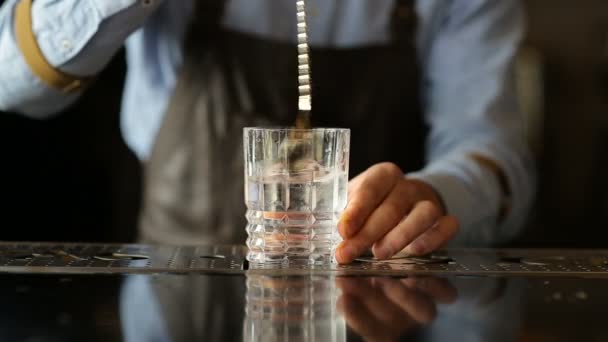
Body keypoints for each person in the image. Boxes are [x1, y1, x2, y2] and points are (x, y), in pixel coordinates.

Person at [0, 0, 534, 264]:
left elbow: (496, 153)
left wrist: (434, 194)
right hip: (173, 289)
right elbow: (15, 84)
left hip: (374, 302)